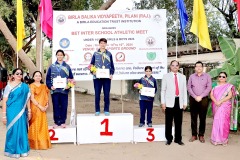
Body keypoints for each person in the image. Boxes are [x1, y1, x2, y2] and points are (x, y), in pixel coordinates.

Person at [2, 68, 31, 158]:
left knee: (22, 129)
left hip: (22, 111)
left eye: (20, 74)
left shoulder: (25, 86)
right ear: (13, 75)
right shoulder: (9, 86)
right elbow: (4, 101)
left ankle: (22, 150)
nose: (19, 75)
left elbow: (28, 99)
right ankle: (11, 150)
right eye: (17, 73)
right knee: (13, 130)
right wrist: (4, 115)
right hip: (11, 111)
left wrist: (29, 111)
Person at [161, 60, 187, 146]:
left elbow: (184, 91)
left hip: (179, 101)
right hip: (168, 102)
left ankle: (178, 139)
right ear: (170, 67)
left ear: (179, 67)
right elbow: (163, 90)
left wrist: (185, 102)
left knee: (178, 122)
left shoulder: (183, 77)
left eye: (176, 65)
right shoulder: (166, 76)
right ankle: (169, 139)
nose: (175, 67)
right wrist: (163, 103)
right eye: (173, 65)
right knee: (168, 121)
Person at [46, 49, 74, 128]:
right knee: (56, 106)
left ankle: (63, 121)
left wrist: (68, 85)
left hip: (64, 91)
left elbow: (71, 78)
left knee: (64, 106)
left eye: (61, 55)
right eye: (58, 55)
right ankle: (56, 121)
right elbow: (48, 79)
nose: (60, 56)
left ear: (63, 56)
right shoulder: (52, 67)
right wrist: (50, 86)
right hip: (54, 91)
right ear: (56, 56)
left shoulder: (67, 67)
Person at [187, 61, 212, 143]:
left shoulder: (207, 76)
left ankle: (201, 135)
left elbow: (208, 88)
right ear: (195, 68)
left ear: (202, 67)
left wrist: (200, 96)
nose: (198, 68)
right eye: (197, 66)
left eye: (200, 66)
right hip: (193, 99)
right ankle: (194, 135)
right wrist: (195, 96)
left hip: (203, 99)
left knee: (202, 117)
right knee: (193, 117)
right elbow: (189, 88)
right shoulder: (191, 76)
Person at [90, 38, 115, 116]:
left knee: (106, 94)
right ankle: (97, 110)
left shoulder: (109, 54)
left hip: (107, 78)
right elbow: (91, 65)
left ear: (106, 44)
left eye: (104, 43)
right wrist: (92, 71)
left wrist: (111, 74)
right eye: (101, 43)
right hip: (97, 78)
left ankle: (106, 110)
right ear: (99, 44)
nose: (103, 44)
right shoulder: (95, 54)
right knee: (97, 94)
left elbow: (112, 66)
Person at [210, 72, 236, 146]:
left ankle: (223, 139)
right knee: (216, 121)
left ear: (226, 78)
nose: (221, 78)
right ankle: (215, 139)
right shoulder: (214, 85)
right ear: (218, 77)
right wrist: (216, 102)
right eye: (220, 76)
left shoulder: (229, 86)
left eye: (223, 77)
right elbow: (211, 95)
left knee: (224, 122)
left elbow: (230, 95)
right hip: (216, 104)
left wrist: (220, 101)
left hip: (225, 105)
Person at [28, 71, 51, 149]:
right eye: (36, 76)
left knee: (42, 124)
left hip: (43, 108)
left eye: (39, 76)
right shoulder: (31, 86)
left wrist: (46, 106)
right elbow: (32, 98)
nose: (38, 77)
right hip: (35, 107)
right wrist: (40, 106)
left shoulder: (44, 86)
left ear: (41, 77)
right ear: (33, 77)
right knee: (35, 125)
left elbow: (46, 96)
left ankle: (43, 143)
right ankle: (34, 144)